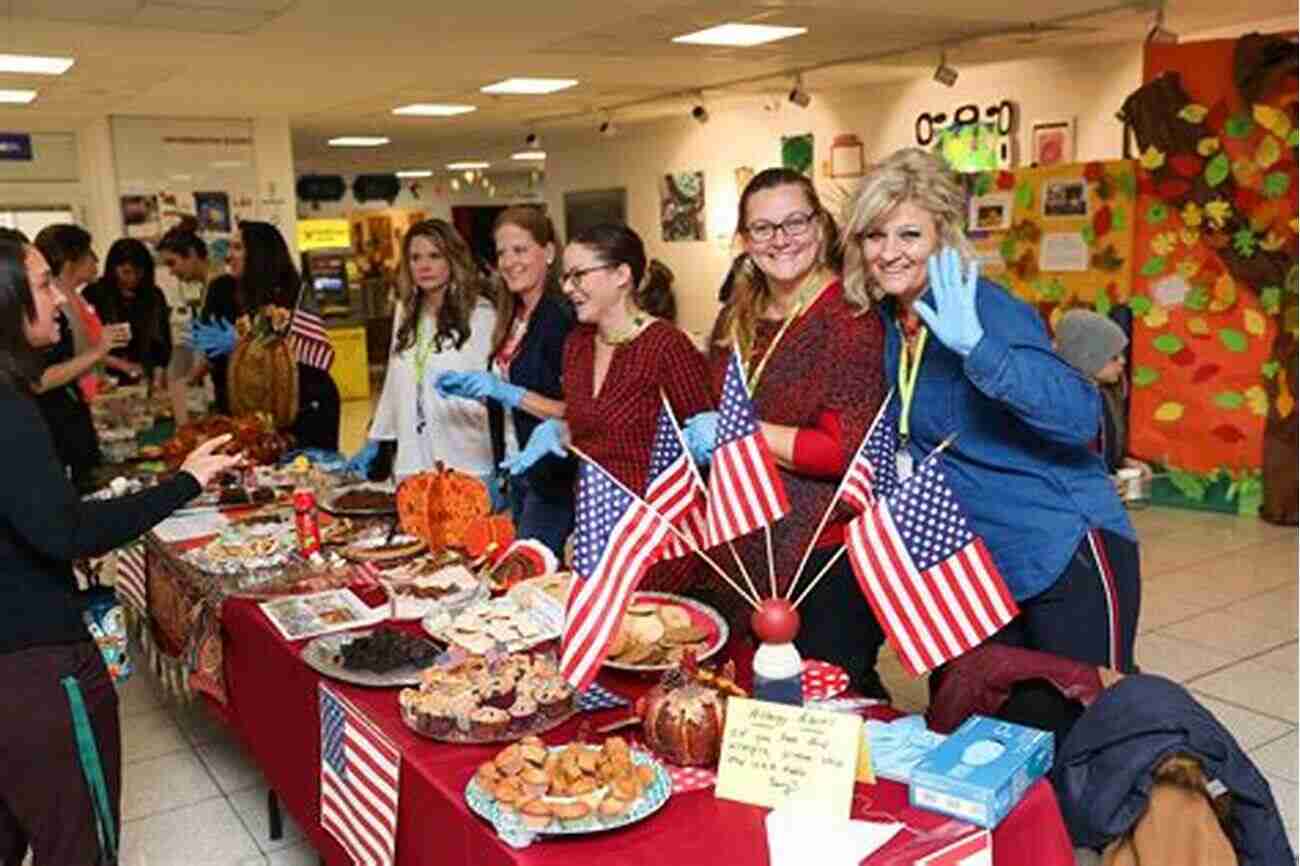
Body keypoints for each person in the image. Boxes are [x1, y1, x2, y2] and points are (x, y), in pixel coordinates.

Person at [841, 147, 1140, 673]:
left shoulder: (984, 310)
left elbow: (1078, 416)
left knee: (1087, 724)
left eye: (909, 234)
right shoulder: (891, 320)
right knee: (985, 722)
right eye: (874, 235)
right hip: (978, 561)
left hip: (1062, 547)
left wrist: (978, 348)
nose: (889, 252)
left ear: (942, 240)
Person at [0, 235, 240, 866]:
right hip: (33, 666)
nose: (59, 300)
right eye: (45, 284)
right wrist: (184, 483)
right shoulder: (10, 411)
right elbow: (67, 531)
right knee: (79, 847)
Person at [684, 167, 890, 697]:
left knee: (835, 699)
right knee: (755, 700)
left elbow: (839, 449)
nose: (781, 240)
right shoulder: (741, 314)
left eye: (794, 222)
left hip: (820, 554)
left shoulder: (849, 319)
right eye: (763, 228)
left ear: (821, 226)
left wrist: (738, 432)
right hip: (748, 543)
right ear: (745, 240)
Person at [497, 223, 715, 595]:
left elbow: (704, 445)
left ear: (621, 275)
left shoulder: (666, 346)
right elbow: (594, 426)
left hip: (658, 539)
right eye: (565, 277)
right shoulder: (578, 344)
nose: (567, 288)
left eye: (579, 275)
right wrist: (562, 432)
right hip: (595, 531)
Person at [435, 207, 575, 555]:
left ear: (549, 252)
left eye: (520, 250)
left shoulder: (560, 317)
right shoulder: (511, 315)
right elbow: (514, 390)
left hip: (553, 483)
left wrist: (507, 391)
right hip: (517, 472)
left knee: (532, 583)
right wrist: (478, 387)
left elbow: (575, 410)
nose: (509, 261)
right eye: (501, 253)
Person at [349, 219, 497, 488]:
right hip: (412, 457)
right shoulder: (406, 311)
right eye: (415, 257)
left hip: (465, 454)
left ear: (452, 259)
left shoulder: (480, 313)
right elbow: (395, 378)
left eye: (434, 256)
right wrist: (377, 435)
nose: (424, 266)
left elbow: (493, 386)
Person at [192, 220, 341, 450]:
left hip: (303, 412)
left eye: (238, 248)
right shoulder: (220, 291)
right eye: (229, 248)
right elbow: (209, 354)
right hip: (243, 417)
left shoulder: (295, 291)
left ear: (261, 254)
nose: (228, 256)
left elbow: (311, 359)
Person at [31, 224, 130, 489]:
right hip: (57, 423)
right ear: (69, 261)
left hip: (73, 415)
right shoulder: (47, 314)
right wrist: (100, 350)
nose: (96, 261)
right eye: (88, 254)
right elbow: (39, 379)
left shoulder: (71, 302)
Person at [1053, 308, 1152, 479]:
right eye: (1114, 356)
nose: (1123, 361)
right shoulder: (1059, 402)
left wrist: (1124, 463)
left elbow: (1102, 453)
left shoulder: (1107, 395)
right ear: (1086, 358)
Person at [159, 226, 239, 415]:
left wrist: (187, 383)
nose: (171, 272)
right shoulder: (210, 286)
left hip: (232, 389)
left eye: (172, 263)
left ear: (192, 254)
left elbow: (218, 349)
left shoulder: (220, 286)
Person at [83, 238, 172, 390]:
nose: (133, 278)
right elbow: (86, 346)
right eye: (126, 272)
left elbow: (161, 344)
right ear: (113, 268)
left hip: (146, 379)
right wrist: (123, 365)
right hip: (106, 380)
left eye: (138, 272)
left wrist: (158, 379)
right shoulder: (94, 294)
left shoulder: (154, 295)